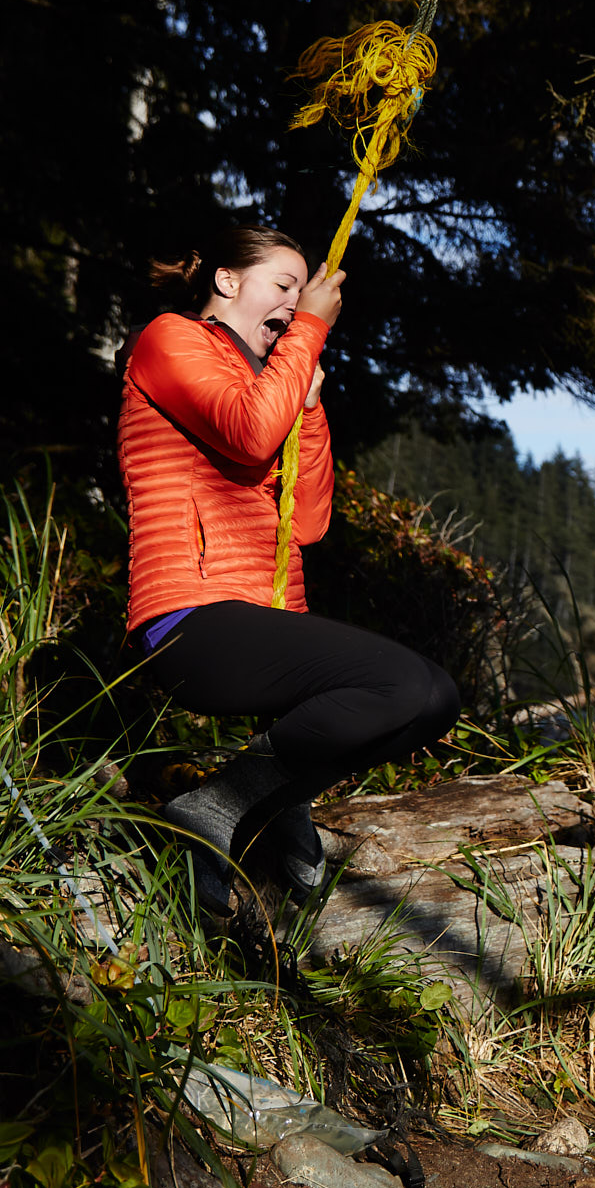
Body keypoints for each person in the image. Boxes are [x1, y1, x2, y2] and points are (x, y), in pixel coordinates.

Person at [119, 225, 460, 913]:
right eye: (284, 285)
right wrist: (307, 335)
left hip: (259, 619)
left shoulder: (273, 379)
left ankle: (255, 799)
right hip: (192, 617)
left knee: (433, 699)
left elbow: (306, 523)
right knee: (397, 680)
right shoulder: (171, 339)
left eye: (301, 294)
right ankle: (222, 806)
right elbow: (245, 432)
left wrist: (306, 398)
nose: (295, 303)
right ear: (227, 281)